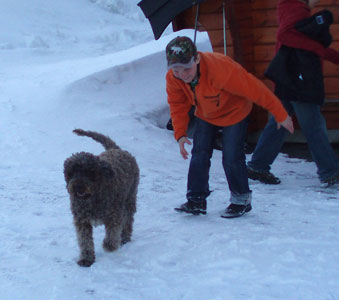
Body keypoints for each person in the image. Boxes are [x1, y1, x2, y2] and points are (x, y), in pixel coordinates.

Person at [165, 36, 294, 218]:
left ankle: (241, 200)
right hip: (206, 113)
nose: (182, 74)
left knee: (232, 157)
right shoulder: (174, 77)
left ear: (197, 59)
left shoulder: (220, 69)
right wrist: (180, 133)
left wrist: (280, 114)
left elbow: (255, 89)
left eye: (186, 68)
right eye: (176, 69)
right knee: (199, 154)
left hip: (235, 112)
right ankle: (196, 200)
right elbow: (177, 104)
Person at [247, 0, 339, 187]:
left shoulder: (293, 7)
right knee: (314, 125)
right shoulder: (295, 7)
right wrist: (321, 50)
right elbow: (286, 35)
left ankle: (258, 165)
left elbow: (300, 40)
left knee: (279, 123)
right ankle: (330, 172)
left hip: (288, 77)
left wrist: (331, 55)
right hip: (299, 80)